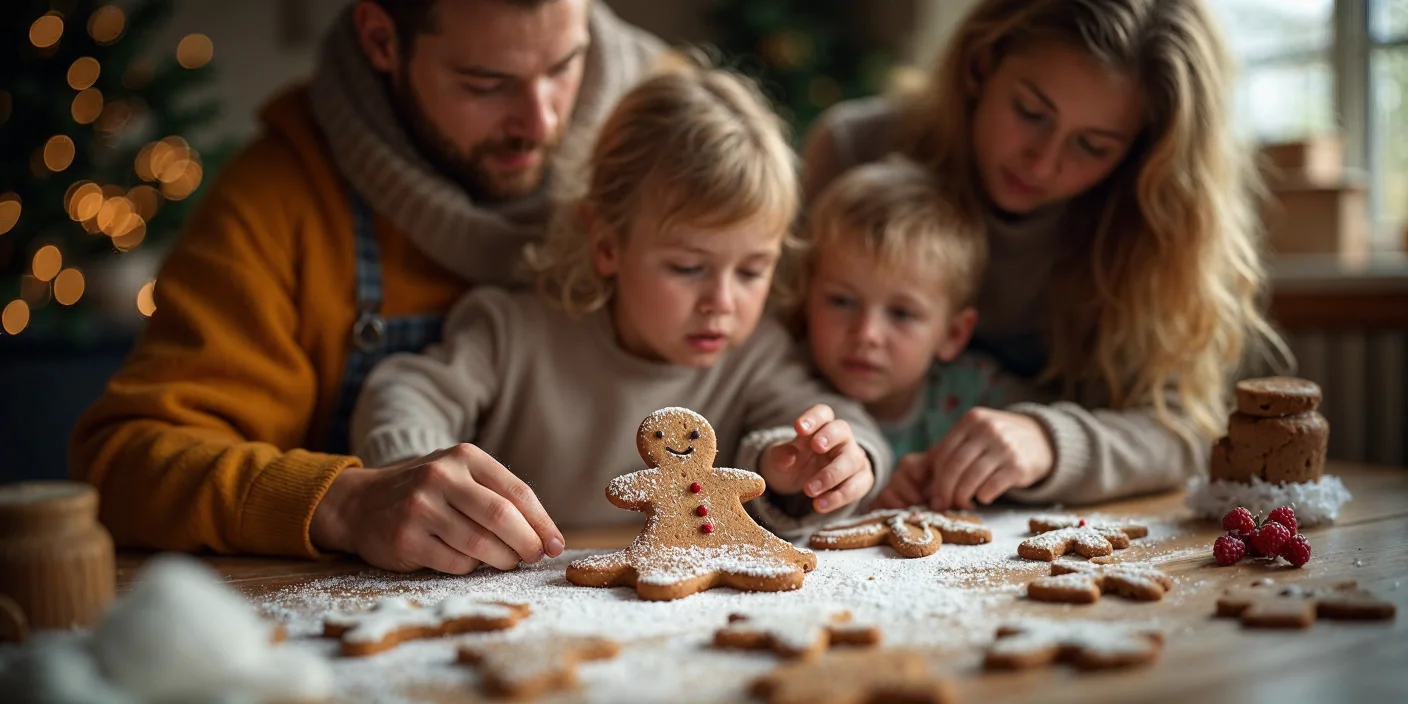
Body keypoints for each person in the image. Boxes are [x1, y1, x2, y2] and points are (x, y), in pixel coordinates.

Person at [68, 0, 665, 572]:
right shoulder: (280, 199)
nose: (542, 120)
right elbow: (125, 464)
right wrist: (345, 503)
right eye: (486, 83)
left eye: (565, 66)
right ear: (382, 40)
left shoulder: (683, 131)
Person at [350, 63, 892, 562]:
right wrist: (413, 471)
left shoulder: (757, 353)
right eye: (687, 267)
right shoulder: (514, 332)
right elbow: (406, 392)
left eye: (752, 272)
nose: (722, 302)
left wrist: (819, 466)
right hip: (520, 592)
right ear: (607, 245)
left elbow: (836, 423)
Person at [798, 0, 1287, 511]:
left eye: (1093, 146)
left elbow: (1184, 430)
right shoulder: (857, 149)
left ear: (1140, 152)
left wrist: (1051, 444)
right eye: (1031, 113)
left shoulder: (1152, 226)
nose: (1044, 161)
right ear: (981, 66)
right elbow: (771, 357)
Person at [794, 157, 1032, 467]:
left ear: (953, 334)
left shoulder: (976, 395)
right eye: (842, 301)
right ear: (807, 297)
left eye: (902, 314)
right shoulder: (784, 385)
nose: (866, 334)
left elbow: (1045, 431)